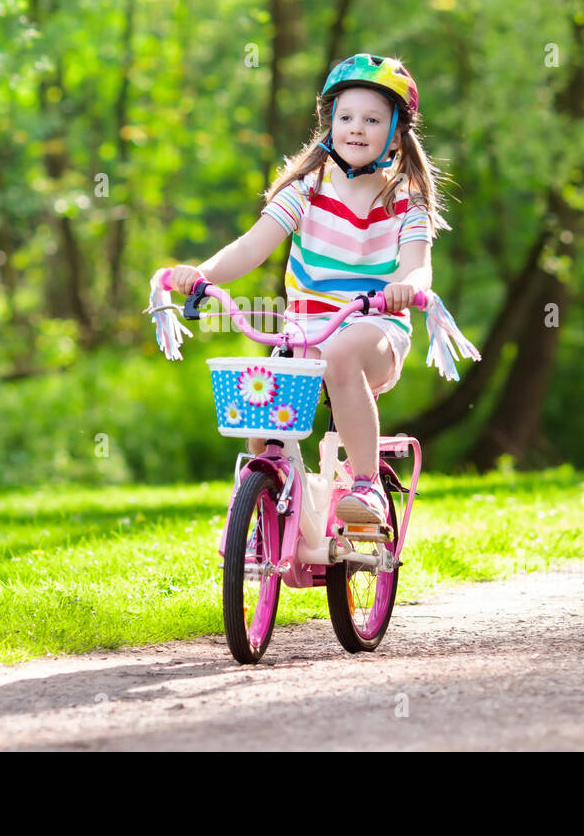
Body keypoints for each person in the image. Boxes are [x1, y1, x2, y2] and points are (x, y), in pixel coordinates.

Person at [164, 53, 452, 527]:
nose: (356, 128)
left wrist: (406, 288)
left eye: (372, 119)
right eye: (345, 117)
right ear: (330, 124)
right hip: (303, 334)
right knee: (259, 411)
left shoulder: (406, 201)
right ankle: (266, 516)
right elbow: (250, 248)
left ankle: (366, 488)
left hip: (373, 328)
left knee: (341, 354)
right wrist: (201, 273)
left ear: (397, 134)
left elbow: (418, 267)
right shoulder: (305, 191)